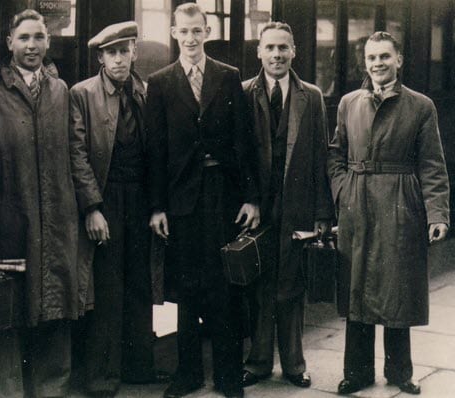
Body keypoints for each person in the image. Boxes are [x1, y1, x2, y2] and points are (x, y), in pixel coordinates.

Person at [145, 3, 259, 398]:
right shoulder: (159, 83)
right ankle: (188, 373)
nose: (191, 39)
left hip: (222, 196)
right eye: (184, 32)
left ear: (207, 31)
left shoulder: (228, 77)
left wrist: (251, 198)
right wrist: (157, 206)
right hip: (181, 200)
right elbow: (155, 150)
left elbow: (244, 141)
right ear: (174, 34)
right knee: (186, 288)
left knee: (224, 286)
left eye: (197, 31)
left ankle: (228, 375)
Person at [327, 31, 449, 396]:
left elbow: (432, 164)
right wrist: (343, 189)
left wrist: (437, 213)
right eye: (371, 57)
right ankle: (356, 372)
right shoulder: (349, 103)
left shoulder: (421, 105)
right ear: (364, 62)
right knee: (357, 287)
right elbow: (335, 154)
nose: (377, 63)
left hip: (400, 204)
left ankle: (400, 371)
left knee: (398, 289)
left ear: (399, 60)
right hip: (357, 203)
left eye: (384, 56)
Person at [0, 9, 86, 398]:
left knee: (55, 309)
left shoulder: (61, 91)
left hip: (57, 220)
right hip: (10, 222)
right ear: (9, 43)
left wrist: (90, 207)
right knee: (8, 313)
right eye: (23, 38)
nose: (32, 45)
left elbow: (76, 153)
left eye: (39, 37)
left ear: (49, 41)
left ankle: (52, 391)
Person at [69, 21, 169, 397]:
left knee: (140, 283)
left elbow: (156, 151)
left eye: (125, 51)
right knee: (107, 288)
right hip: (106, 196)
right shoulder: (83, 94)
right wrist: (92, 206)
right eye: (111, 52)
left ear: (134, 54)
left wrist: (156, 204)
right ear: (100, 57)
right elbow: (77, 154)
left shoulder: (144, 91)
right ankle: (101, 376)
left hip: (140, 199)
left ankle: (139, 366)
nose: (119, 59)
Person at [241, 21, 334, 390]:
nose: (276, 55)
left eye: (283, 48)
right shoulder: (244, 93)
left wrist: (323, 212)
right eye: (270, 48)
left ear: (294, 51)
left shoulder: (311, 96)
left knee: (292, 283)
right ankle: (259, 361)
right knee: (260, 281)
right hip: (257, 207)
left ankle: (294, 364)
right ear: (259, 52)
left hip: (296, 204)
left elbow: (321, 157)